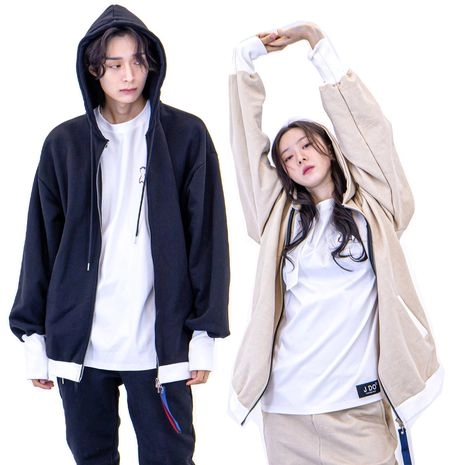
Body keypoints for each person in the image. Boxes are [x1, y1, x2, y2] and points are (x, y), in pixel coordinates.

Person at [9, 4, 230, 465]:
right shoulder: (64, 144)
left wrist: (204, 333)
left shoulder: (186, 135)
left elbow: (208, 240)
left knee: (170, 458)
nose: (129, 75)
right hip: (81, 345)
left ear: (152, 64)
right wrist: (34, 338)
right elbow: (40, 244)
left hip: (159, 345)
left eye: (138, 61)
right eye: (114, 64)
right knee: (91, 458)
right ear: (94, 69)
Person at [228, 21, 442, 465]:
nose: (299, 157)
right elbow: (247, 153)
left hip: (357, 408)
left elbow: (370, 131)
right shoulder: (278, 220)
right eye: (288, 156)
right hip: (287, 409)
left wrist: (316, 42)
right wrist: (244, 64)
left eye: (307, 145)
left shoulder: (376, 207)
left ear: (330, 147)